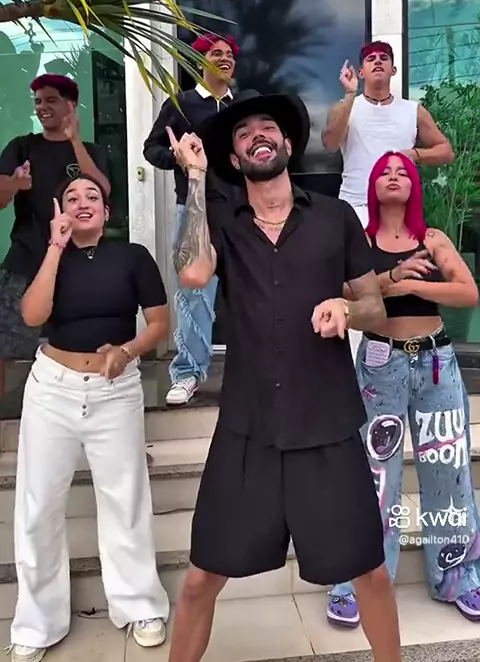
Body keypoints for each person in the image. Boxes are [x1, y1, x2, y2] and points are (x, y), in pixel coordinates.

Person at [164, 88, 403, 662]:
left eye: (266, 128)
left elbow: (375, 306)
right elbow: (193, 274)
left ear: (288, 144)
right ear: (235, 158)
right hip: (248, 430)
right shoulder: (223, 222)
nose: (257, 137)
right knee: (199, 581)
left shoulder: (335, 218)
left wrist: (347, 309)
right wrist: (195, 178)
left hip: (327, 425)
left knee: (369, 573)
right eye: (243, 134)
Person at [10, 176, 170, 662]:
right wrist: (55, 247)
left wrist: (128, 350)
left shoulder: (133, 257)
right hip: (52, 390)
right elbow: (33, 315)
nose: (83, 203)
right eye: (72, 198)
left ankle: (140, 605)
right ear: (60, 211)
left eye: (93, 197)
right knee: (38, 506)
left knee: (125, 499)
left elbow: (159, 325)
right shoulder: (51, 255)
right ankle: (37, 623)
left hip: (114, 390)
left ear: (107, 211)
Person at [328, 152, 480, 628]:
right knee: (374, 476)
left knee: (448, 469)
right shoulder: (360, 239)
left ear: (414, 185)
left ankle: (458, 576)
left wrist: (416, 285)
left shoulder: (433, 239)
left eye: (403, 172)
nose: (394, 176)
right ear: (372, 185)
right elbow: (347, 296)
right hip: (381, 362)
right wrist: (395, 277)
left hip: (436, 362)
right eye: (385, 172)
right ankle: (359, 581)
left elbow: (468, 292)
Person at [322, 40, 454, 359]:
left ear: (394, 69)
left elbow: (445, 151)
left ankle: (393, 358)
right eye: (370, 58)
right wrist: (349, 95)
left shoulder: (412, 110)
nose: (378, 61)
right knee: (352, 288)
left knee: (394, 285)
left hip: (398, 214)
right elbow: (329, 142)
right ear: (362, 71)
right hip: (354, 208)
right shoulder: (348, 106)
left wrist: (415, 154)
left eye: (384, 57)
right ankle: (353, 364)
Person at [143, 33, 239, 406]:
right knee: (194, 296)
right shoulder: (181, 104)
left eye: (230, 54)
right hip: (195, 209)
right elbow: (151, 149)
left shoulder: (241, 105)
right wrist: (177, 157)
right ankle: (187, 374)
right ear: (201, 61)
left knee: (250, 293)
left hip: (240, 212)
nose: (225, 58)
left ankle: (251, 373)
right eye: (217, 53)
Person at [0, 74, 110, 397]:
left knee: (79, 343)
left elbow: (102, 190)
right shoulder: (22, 147)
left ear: (71, 105)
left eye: (51, 100)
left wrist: (74, 141)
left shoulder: (90, 151)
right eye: (38, 102)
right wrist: (16, 183)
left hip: (77, 264)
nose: (42, 107)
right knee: (4, 344)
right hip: (26, 261)